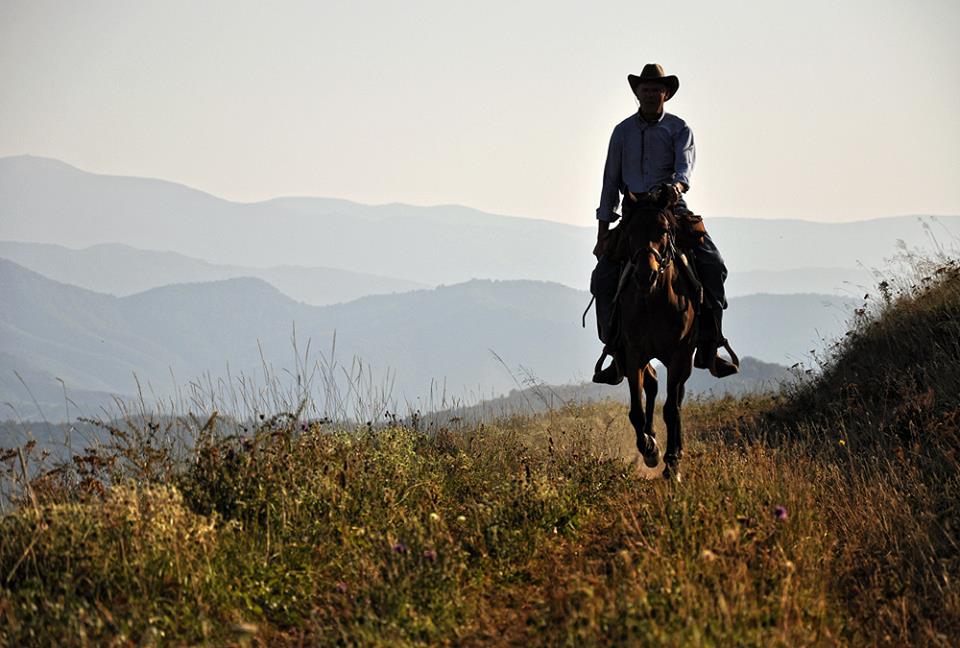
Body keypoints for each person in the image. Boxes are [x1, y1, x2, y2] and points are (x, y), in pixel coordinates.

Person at [591, 63, 738, 384]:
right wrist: (603, 233)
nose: (650, 93)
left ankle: (711, 345)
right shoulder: (622, 132)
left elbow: (684, 169)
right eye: (644, 88)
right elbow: (610, 181)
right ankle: (616, 351)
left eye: (656, 88)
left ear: (665, 93)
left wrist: (676, 187)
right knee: (602, 277)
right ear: (637, 92)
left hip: (670, 207)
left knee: (714, 265)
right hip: (632, 212)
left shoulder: (679, 129)